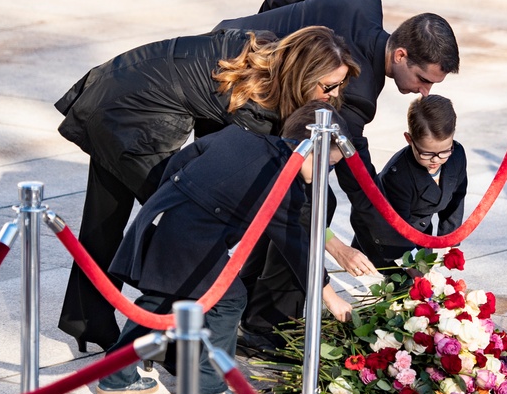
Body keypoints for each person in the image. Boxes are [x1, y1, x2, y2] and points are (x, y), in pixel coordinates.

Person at [54, 26, 359, 352]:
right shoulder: (257, 101)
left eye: (341, 84)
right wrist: (327, 274)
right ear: (302, 76)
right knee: (188, 227)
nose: (335, 95)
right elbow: (283, 207)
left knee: (107, 220)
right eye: (328, 86)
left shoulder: (271, 56)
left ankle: (87, 319)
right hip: (131, 116)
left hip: (116, 90)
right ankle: (152, 341)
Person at [96, 102, 354, 394]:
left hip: (172, 215)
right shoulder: (283, 184)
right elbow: (295, 247)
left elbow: (182, 160)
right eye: (328, 164)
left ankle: (115, 376)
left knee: (162, 300)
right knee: (228, 299)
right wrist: (331, 296)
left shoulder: (241, 137)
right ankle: (207, 385)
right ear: (306, 148)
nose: (329, 172)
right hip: (194, 235)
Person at [212, 0, 460, 270]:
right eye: (422, 79)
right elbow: (357, 177)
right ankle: (265, 306)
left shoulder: (363, 1)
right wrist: (397, 246)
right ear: (400, 55)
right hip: (228, 92)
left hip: (222, 40)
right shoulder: (357, 93)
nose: (425, 92)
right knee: (310, 203)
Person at [352, 95, 468, 269]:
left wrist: (449, 242)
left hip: (420, 229)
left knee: (427, 282)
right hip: (385, 235)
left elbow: (456, 199)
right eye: (427, 153)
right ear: (409, 139)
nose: (436, 159)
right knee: (405, 283)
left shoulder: (456, 155)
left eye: (444, 151)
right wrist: (413, 267)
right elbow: (399, 227)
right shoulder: (398, 176)